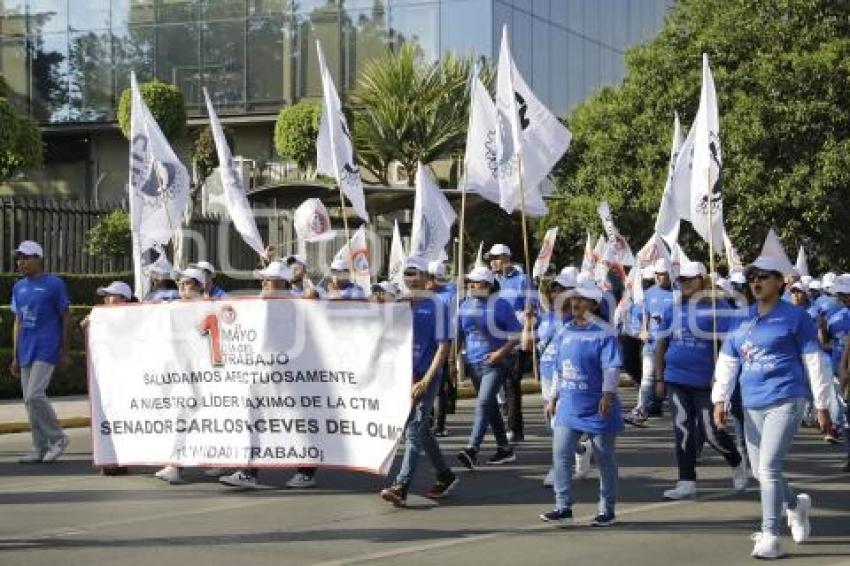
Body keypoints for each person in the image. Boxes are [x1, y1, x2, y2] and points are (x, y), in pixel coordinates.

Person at [712, 251, 833, 559]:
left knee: (767, 467)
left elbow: (814, 360)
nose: (756, 282)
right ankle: (796, 505)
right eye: (752, 278)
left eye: (763, 277)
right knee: (761, 471)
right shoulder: (743, 317)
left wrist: (822, 404)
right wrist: (719, 399)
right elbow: (728, 360)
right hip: (751, 403)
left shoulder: (796, 317)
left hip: (786, 399)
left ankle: (770, 534)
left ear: (780, 281)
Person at [653, 261, 747, 500]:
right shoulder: (672, 310)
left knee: (711, 431)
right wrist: (659, 378)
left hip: (706, 381)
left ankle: (736, 462)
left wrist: (723, 377)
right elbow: (660, 346)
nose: (684, 283)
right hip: (675, 378)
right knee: (682, 429)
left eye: (690, 279)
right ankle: (686, 481)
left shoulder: (719, 309)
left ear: (703, 280)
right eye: (681, 280)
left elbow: (732, 344)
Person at [539, 278, 622, 527]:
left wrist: (607, 395)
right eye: (573, 298)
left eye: (582, 299)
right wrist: (553, 396)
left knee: (605, 459)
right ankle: (563, 506)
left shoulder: (605, 333)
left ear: (594, 304)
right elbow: (559, 368)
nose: (575, 303)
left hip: (597, 406)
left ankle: (607, 510)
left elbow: (611, 368)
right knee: (560, 454)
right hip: (569, 405)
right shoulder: (564, 330)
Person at [380, 256, 458, 506]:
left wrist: (426, 379)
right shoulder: (399, 305)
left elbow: (443, 347)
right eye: (407, 273)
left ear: (426, 278)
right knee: (420, 430)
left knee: (414, 430)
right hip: (403, 376)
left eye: (415, 273)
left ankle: (401, 485)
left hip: (426, 376)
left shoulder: (438, 306)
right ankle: (445, 475)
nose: (411, 278)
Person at [219, 261, 294, 489]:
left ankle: (306, 470)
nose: (262, 283)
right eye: (263, 279)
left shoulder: (297, 303)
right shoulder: (260, 303)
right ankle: (249, 471)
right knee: (256, 418)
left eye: (267, 279)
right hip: (261, 374)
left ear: (281, 282)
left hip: (289, 376)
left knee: (297, 421)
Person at [522, 267, 591, 487]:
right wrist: (527, 322)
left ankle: (559, 470)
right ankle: (581, 449)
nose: (557, 294)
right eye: (554, 289)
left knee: (561, 425)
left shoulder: (579, 320)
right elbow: (527, 346)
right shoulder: (546, 317)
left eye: (563, 290)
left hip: (567, 378)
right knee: (553, 425)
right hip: (547, 374)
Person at [10, 240, 72, 464]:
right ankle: (39, 446)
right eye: (19, 258)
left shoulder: (54, 284)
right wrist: (15, 356)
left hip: (46, 346)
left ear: (38, 258)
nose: (21, 262)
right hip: (26, 348)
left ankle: (58, 437)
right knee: (28, 400)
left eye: (26, 257)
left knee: (34, 395)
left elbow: (66, 317)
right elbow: (17, 321)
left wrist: (65, 351)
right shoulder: (18, 287)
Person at [456, 265, 520, 468]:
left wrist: (500, 353)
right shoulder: (465, 304)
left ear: (488, 284)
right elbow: (459, 334)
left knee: (483, 403)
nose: (471, 285)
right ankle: (505, 448)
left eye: (476, 281)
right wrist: (452, 361)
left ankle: (472, 449)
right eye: (471, 281)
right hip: (473, 363)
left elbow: (516, 335)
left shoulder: (501, 305)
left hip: (496, 363)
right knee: (490, 406)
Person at [154, 267, 208, 484]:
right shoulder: (171, 308)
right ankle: (174, 465)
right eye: (179, 283)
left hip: (206, 375)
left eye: (187, 283)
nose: (181, 287)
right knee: (180, 416)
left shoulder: (210, 307)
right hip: (180, 375)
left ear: (200, 285)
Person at [86, 281, 134, 476]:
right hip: (106, 378)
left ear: (124, 299)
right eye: (105, 296)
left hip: (128, 377)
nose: (106, 299)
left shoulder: (136, 318)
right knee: (106, 417)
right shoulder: (100, 317)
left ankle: (121, 459)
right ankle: (109, 458)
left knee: (124, 418)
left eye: (111, 295)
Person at [486, 243, 530, 443]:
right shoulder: (491, 281)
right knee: (496, 384)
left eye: (495, 258)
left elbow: (531, 309)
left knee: (512, 383)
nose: (492, 262)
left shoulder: (522, 280)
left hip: (515, 338)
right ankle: (504, 416)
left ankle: (515, 429)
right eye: (490, 259)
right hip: (495, 337)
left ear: (506, 257)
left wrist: (527, 332)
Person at [625, 258, 674, 425]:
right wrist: (641, 332)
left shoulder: (678, 293)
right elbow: (638, 319)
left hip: (673, 345)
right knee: (647, 378)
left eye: (663, 274)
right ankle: (640, 410)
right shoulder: (649, 294)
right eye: (657, 274)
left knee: (673, 380)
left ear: (670, 273)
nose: (660, 277)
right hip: (652, 345)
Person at [427, 260, 457, 437]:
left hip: (443, 343)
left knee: (440, 386)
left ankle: (440, 424)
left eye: (432, 277)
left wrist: (452, 355)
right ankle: (427, 420)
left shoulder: (450, 293)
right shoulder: (424, 293)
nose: (429, 281)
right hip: (427, 344)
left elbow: (453, 323)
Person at [822, 274, 850, 455]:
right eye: (840, 294)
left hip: (844, 370)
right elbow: (826, 342)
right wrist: (822, 328)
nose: (843, 298)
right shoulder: (836, 317)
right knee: (846, 412)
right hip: (840, 371)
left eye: (845, 294)